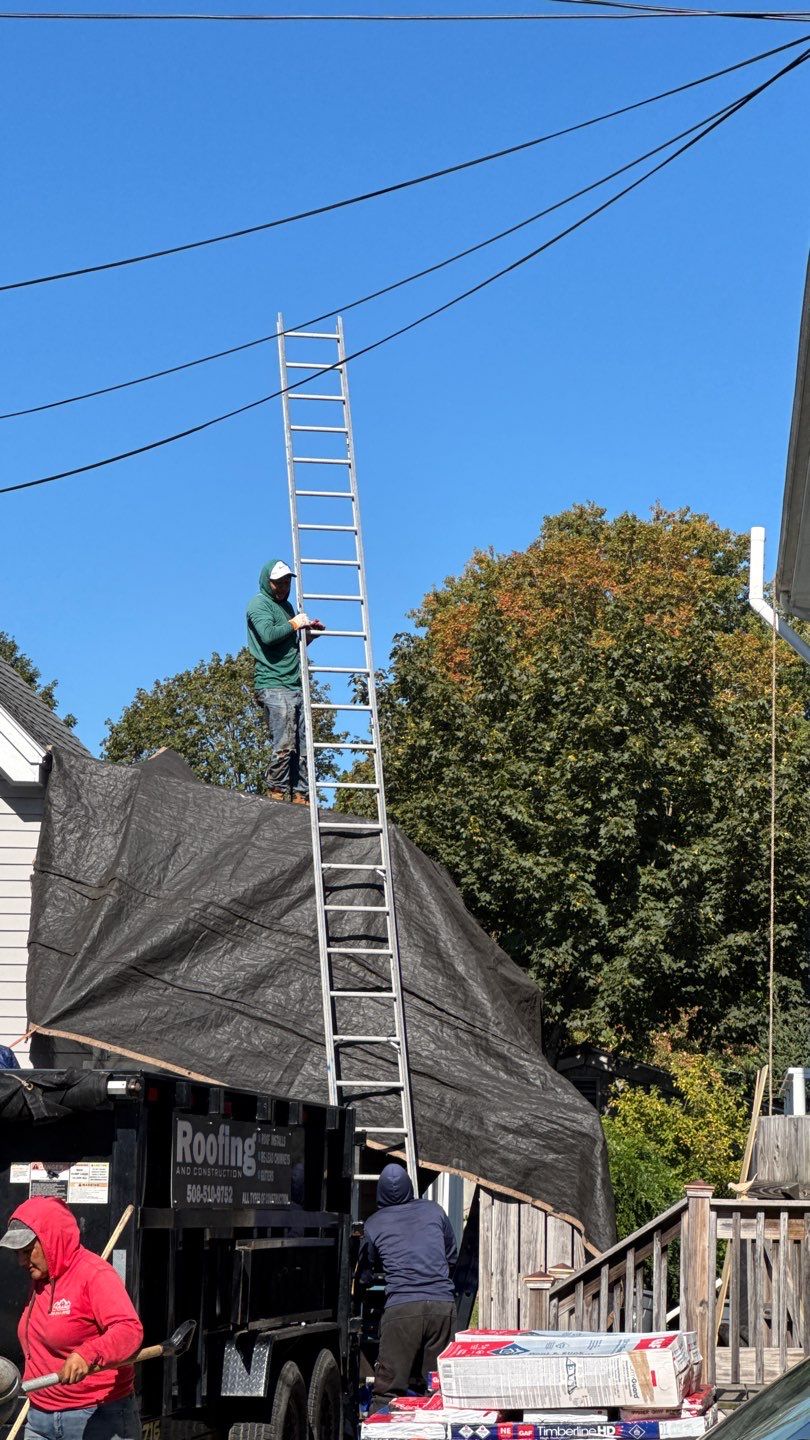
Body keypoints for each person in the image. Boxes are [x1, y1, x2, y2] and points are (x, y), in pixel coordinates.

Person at [0, 1196, 144, 1440]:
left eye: (27, 1251)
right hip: (39, 1417)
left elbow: (129, 1330)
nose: (22, 1261)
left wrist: (86, 1355)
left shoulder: (94, 1274)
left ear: (51, 1240)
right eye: (18, 1254)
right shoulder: (40, 1282)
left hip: (96, 1417)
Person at [358, 1164, 458, 1411]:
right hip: (442, 1309)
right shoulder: (435, 1211)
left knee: (388, 1391)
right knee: (438, 1390)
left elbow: (364, 1274)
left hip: (402, 1312)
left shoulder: (373, 1223)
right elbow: (451, 1257)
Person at [246, 559, 323, 804]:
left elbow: (289, 645)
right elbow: (268, 636)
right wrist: (294, 623)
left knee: (302, 744)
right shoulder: (259, 604)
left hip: (294, 683)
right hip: (273, 683)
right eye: (278, 583)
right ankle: (277, 792)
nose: (283, 587)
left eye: (286, 582)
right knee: (285, 742)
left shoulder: (288, 607)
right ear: (267, 582)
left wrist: (308, 634)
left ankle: (302, 794)